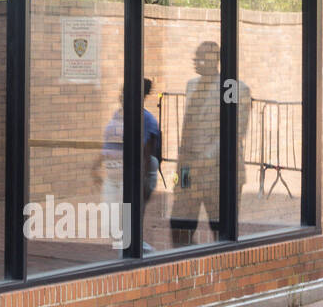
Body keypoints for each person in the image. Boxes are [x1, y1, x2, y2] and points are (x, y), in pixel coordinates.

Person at [170, 40, 249, 246]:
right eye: (195, 58)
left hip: (218, 170)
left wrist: (203, 159)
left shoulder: (233, 87)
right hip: (188, 168)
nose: (197, 63)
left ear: (216, 60)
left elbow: (233, 130)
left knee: (221, 229)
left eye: (202, 58)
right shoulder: (192, 85)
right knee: (180, 224)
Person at [97, 78, 162, 251]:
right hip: (116, 174)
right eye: (122, 93)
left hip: (135, 173)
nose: (122, 96)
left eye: (126, 93)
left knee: (128, 223)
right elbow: (111, 143)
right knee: (113, 223)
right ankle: (136, 250)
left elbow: (147, 154)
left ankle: (137, 253)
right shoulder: (118, 115)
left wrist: (142, 182)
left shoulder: (147, 119)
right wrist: (97, 165)